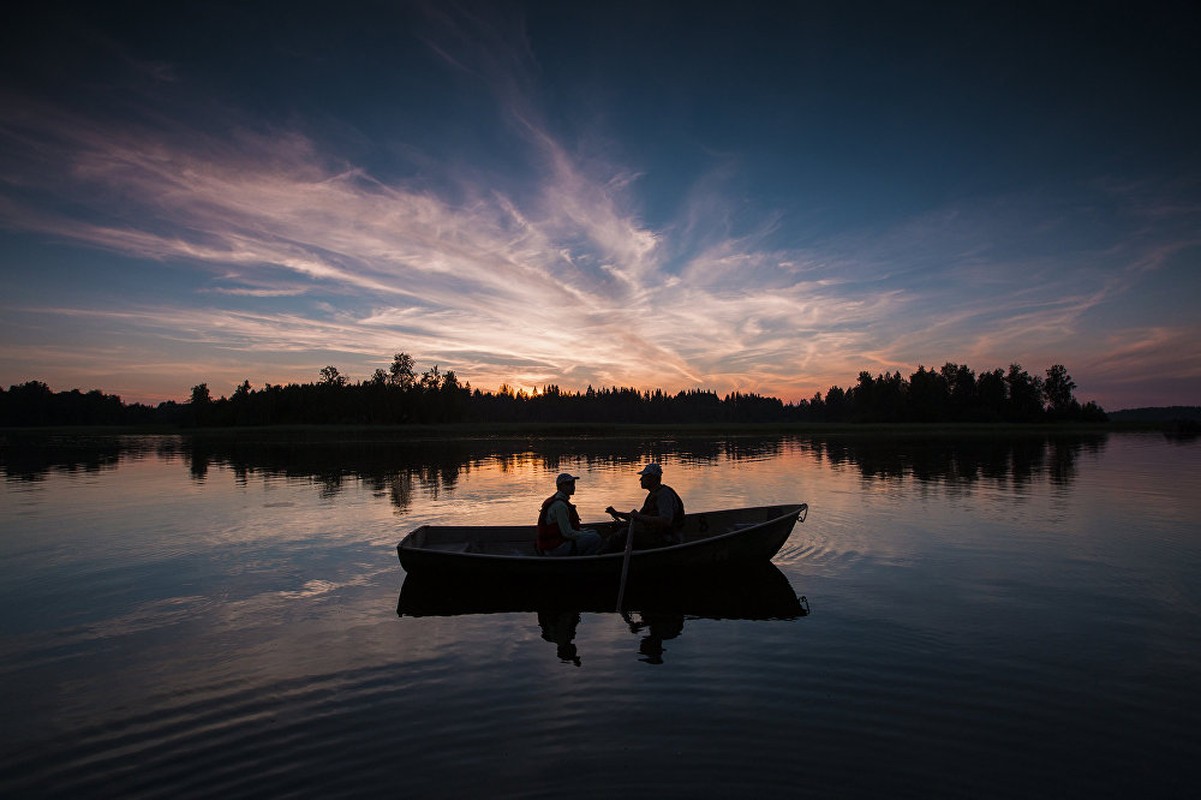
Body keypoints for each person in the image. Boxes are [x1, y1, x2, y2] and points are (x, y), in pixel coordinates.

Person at [600, 463, 685, 552]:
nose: (640, 479)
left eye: (644, 476)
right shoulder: (653, 494)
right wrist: (617, 513)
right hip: (655, 536)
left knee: (624, 534)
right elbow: (637, 518)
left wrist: (639, 517)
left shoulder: (664, 495)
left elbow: (666, 520)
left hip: (667, 540)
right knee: (616, 528)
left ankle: (600, 554)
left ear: (653, 478)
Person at [536, 472, 603, 556]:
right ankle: (584, 562)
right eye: (568, 484)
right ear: (560, 487)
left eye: (573, 483)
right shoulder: (560, 506)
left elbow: (566, 529)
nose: (573, 486)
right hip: (554, 549)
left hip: (553, 547)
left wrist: (585, 532)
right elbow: (567, 533)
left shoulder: (559, 501)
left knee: (592, 533)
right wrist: (585, 534)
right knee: (596, 538)